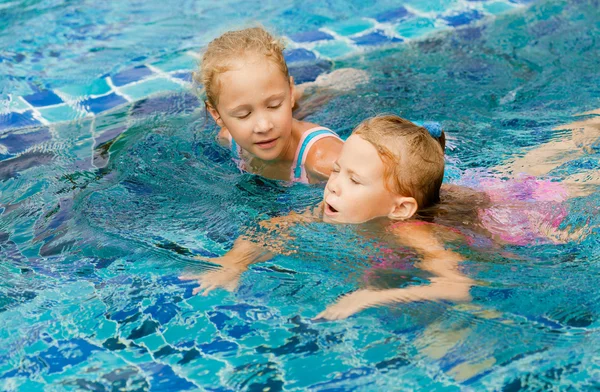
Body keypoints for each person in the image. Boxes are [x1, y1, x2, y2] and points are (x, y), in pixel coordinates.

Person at [181, 115, 476, 320]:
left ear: (399, 209)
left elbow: (455, 287)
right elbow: (274, 228)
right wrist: (233, 263)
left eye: (355, 181)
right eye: (337, 170)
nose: (334, 185)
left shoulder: (414, 234)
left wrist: (369, 298)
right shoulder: (331, 206)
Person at [194, 27, 347, 183]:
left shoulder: (324, 160)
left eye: (274, 105)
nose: (264, 126)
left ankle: (324, 86)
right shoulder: (228, 138)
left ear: (290, 93)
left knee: (317, 98)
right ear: (217, 115)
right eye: (243, 114)